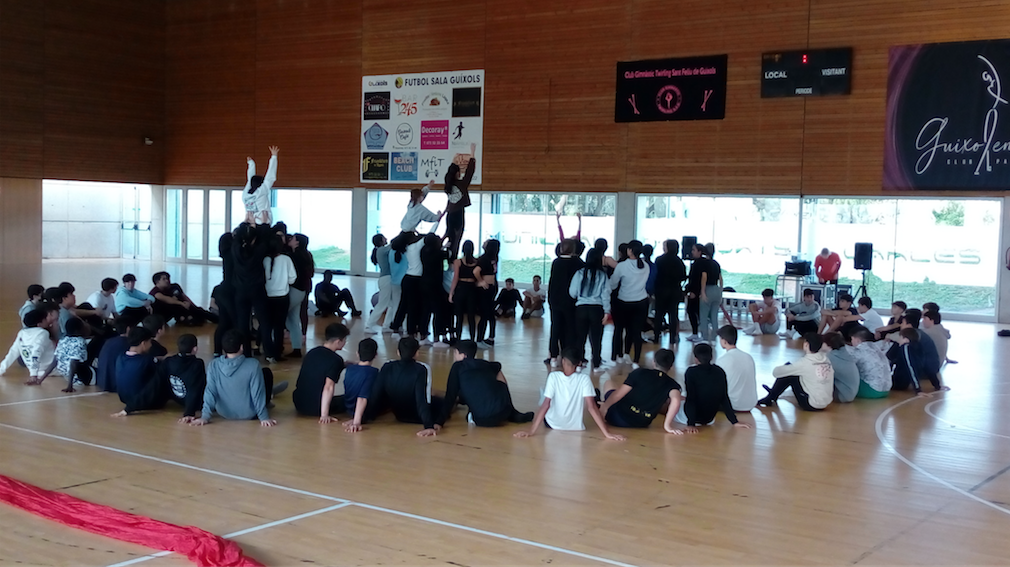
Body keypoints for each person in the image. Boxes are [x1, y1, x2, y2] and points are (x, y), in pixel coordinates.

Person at [513, 349, 626, 441]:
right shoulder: (584, 379)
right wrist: (607, 433)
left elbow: (545, 405)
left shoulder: (553, 377)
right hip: (575, 427)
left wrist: (531, 431)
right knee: (594, 393)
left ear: (563, 361)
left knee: (544, 396)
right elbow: (591, 407)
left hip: (552, 424)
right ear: (579, 363)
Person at [190, 330, 282, 427]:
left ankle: (272, 392)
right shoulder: (253, 364)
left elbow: (210, 391)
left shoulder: (214, 364)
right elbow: (257, 393)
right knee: (266, 373)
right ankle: (270, 394)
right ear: (242, 347)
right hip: (249, 413)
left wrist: (205, 416)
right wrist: (264, 417)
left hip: (224, 413)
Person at [439, 340, 534, 427]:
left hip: (483, 420)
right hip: (504, 411)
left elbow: (450, 395)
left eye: (455, 353)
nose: (454, 356)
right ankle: (513, 412)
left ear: (464, 356)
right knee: (497, 371)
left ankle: (473, 413)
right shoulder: (484, 364)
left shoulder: (457, 367)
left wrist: (439, 422)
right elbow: (498, 365)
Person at [366, 337, 442, 436]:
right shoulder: (421, 369)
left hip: (398, 414)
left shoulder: (387, 366)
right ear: (417, 353)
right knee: (442, 403)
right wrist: (428, 426)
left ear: (398, 352)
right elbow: (421, 399)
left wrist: (360, 419)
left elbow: (375, 394)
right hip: (417, 417)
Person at [674, 343, 752, 433]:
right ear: (711, 357)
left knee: (671, 402)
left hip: (691, 418)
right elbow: (724, 398)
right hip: (709, 419)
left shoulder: (691, 372)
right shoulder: (719, 371)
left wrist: (691, 424)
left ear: (696, 358)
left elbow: (691, 398)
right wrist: (734, 421)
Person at [598, 348, 682, 430]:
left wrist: (604, 408)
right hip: (642, 423)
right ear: (671, 366)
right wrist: (667, 425)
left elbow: (617, 395)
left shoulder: (640, 372)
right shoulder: (673, 385)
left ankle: (601, 404)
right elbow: (676, 400)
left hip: (619, 418)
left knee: (609, 383)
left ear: (653, 362)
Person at [758, 333, 833, 411]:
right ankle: (771, 397)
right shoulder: (827, 360)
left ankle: (771, 397)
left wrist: (787, 367)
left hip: (810, 404)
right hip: (826, 403)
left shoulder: (804, 363)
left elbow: (776, 373)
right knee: (794, 371)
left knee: (790, 371)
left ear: (806, 344)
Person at [292, 323, 349, 423]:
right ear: (338, 341)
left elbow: (320, 368)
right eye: (344, 340)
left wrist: (344, 365)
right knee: (349, 399)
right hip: (316, 407)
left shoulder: (312, 352)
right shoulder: (336, 360)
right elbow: (328, 387)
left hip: (299, 403)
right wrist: (324, 415)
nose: (345, 343)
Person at [110, 328, 167, 416]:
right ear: (143, 343)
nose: (151, 345)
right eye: (149, 342)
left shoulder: (120, 357)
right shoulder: (147, 361)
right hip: (147, 404)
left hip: (125, 399)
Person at [569, 248, 610, 370]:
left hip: (581, 308)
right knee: (596, 338)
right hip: (597, 309)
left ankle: (579, 363)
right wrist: (607, 311)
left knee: (580, 338)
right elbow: (606, 295)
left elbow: (572, 292)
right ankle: (596, 364)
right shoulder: (603, 275)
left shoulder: (579, 273)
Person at [609, 240, 650, 366]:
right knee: (636, 332)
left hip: (623, 302)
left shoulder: (622, 266)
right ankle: (635, 360)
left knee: (619, 329)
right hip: (641, 302)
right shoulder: (645, 266)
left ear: (630, 251)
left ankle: (617, 356)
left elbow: (613, 284)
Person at [0, 309, 56, 386]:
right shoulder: (43, 333)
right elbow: (36, 352)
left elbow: (13, 352)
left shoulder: (21, 333)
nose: (47, 320)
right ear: (39, 324)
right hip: (50, 370)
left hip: (36, 370)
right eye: (45, 319)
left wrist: (1, 369)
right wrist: (33, 375)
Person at [160, 334, 207, 423]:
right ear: (195, 349)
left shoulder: (168, 361)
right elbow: (195, 388)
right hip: (195, 404)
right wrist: (189, 413)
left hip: (177, 399)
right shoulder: (197, 364)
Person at [263, 238, 296, 363]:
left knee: (267, 326)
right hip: (282, 297)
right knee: (279, 326)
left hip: (267, 297)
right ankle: (277, 353)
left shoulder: (265, 260)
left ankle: (268, 352)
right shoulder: (286, 259)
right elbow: (292, 278)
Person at [890, 328, 947, 396]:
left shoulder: (905, 347)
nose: (898, 340)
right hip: (905, 381)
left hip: (899, 381)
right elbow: (927, 366)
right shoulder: (919, 346)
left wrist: (918, 390)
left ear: (906, 340)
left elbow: (911, 367)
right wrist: (937, 385)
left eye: (900, 338)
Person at [443, 144, 476, 258]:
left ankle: (449, 257)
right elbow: (469, 172)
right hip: (458, 214)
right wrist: (472, 153)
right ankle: (453, 260)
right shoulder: (462, 184)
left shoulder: (448, 185)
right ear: (457, 174)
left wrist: (453, 160)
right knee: (456, 240)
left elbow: (449, 173)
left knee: (450, 238)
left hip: (450, 215)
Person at [652, 239, 687, 344]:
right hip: (675, 290)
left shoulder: (659, 260)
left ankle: (656, 336)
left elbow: (655, 275)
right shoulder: (679, 261)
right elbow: (683, 276)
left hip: (661, 290)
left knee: (659, 314)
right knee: (673, 314)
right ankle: (672, 337)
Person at [285, 233, 314, 357]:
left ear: (297, 243)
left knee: (278, 317)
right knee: (293, 319)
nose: (290, 239)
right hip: (302, 291)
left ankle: (275, 346)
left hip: (294, 290)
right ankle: (297, 348)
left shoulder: (293, 256)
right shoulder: (306, 255)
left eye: (293, 238)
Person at [716, 325, 757, 412]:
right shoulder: (748, 357)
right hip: (750, 404)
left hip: (732, 405)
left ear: (724, 341)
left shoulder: (722, 360)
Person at [342, 338, 380, 433]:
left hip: (349, 408)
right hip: (365, 412)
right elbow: (362, 398)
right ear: (376, 355)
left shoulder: (350, 368)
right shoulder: (373, 372)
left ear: (357, 353)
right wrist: (356, 422)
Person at [449, 240, 480, 340]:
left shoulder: (458, 262)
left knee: (459, 315)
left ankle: (458, 338)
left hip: (461, 287)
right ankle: (472, 338)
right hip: (472, 288)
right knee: (471, 315)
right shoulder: (476, 262)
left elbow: (455, 278)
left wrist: (451, 293)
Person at [847, 327, 891, 398]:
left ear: (858, 340)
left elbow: (848, 367)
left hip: (872, 391)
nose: (851, 342)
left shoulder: (858, 350)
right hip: (886, 390)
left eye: (852, 339)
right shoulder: (876, 346)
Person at [473, 239, 501, 347]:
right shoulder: (485, 258)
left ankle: (489, 338)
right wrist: (481, 281)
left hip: (490, 288)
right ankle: (480, 339)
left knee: (489, 313)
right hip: (485, 289)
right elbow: (476, 271)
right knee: (485, 314)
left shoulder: (490, 258)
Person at [242, 146, 279, 225]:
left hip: (250, 223)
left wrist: (251, 164)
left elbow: (250, 179)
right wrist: (274, 157)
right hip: (263, 222)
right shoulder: (261, 191)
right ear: (261, 183)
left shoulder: (245, 194)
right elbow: (270, 175)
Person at [366, 234, 394, 333]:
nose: (386, 239)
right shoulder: (382, 250)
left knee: (392, 304)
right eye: (384, 238)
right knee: (382, 304)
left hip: (386, 279)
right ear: (380, 241)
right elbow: (393, 245)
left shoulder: (380, 250)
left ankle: (386, 325)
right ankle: (369, 325)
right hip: (386, 279)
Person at [95, 317, 132, 392]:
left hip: (102, 382)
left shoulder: (109, 341)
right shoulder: (127, 343)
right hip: (115, 385)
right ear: (128, 329)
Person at [55, 318, 91, 392]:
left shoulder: (62, 340)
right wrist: (69, 386)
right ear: (78, 330)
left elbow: (54, 361)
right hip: (81, 379)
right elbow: (73, 363)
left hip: (67, 377)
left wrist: (41, 379)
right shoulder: (80, 341)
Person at [698, 243, 724, 344]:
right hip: (716, 290)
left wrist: (703, 292)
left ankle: (704, 337)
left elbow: (704, 277)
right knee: (714, 316)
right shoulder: (716, 264)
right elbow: (721, 279)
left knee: (704, 315)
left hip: (708, 290)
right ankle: (713, 338)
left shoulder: (704, 263)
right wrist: (720, 291)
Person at [823, 332, 858, 403]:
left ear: (828, 344)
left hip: (842, 395)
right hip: (850, 393)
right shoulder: (845, 353)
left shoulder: (831, 357)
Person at [685, 243, 705, 342]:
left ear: (699, 252)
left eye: (694, 250)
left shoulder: (699, 264)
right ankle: (695, 333)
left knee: (694, 311)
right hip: (697, 291)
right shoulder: (696, 263)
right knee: (693, 311)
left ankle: (698, 333)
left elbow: (697, 279)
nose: (692, 252)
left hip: (696, 292)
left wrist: (694, 292)